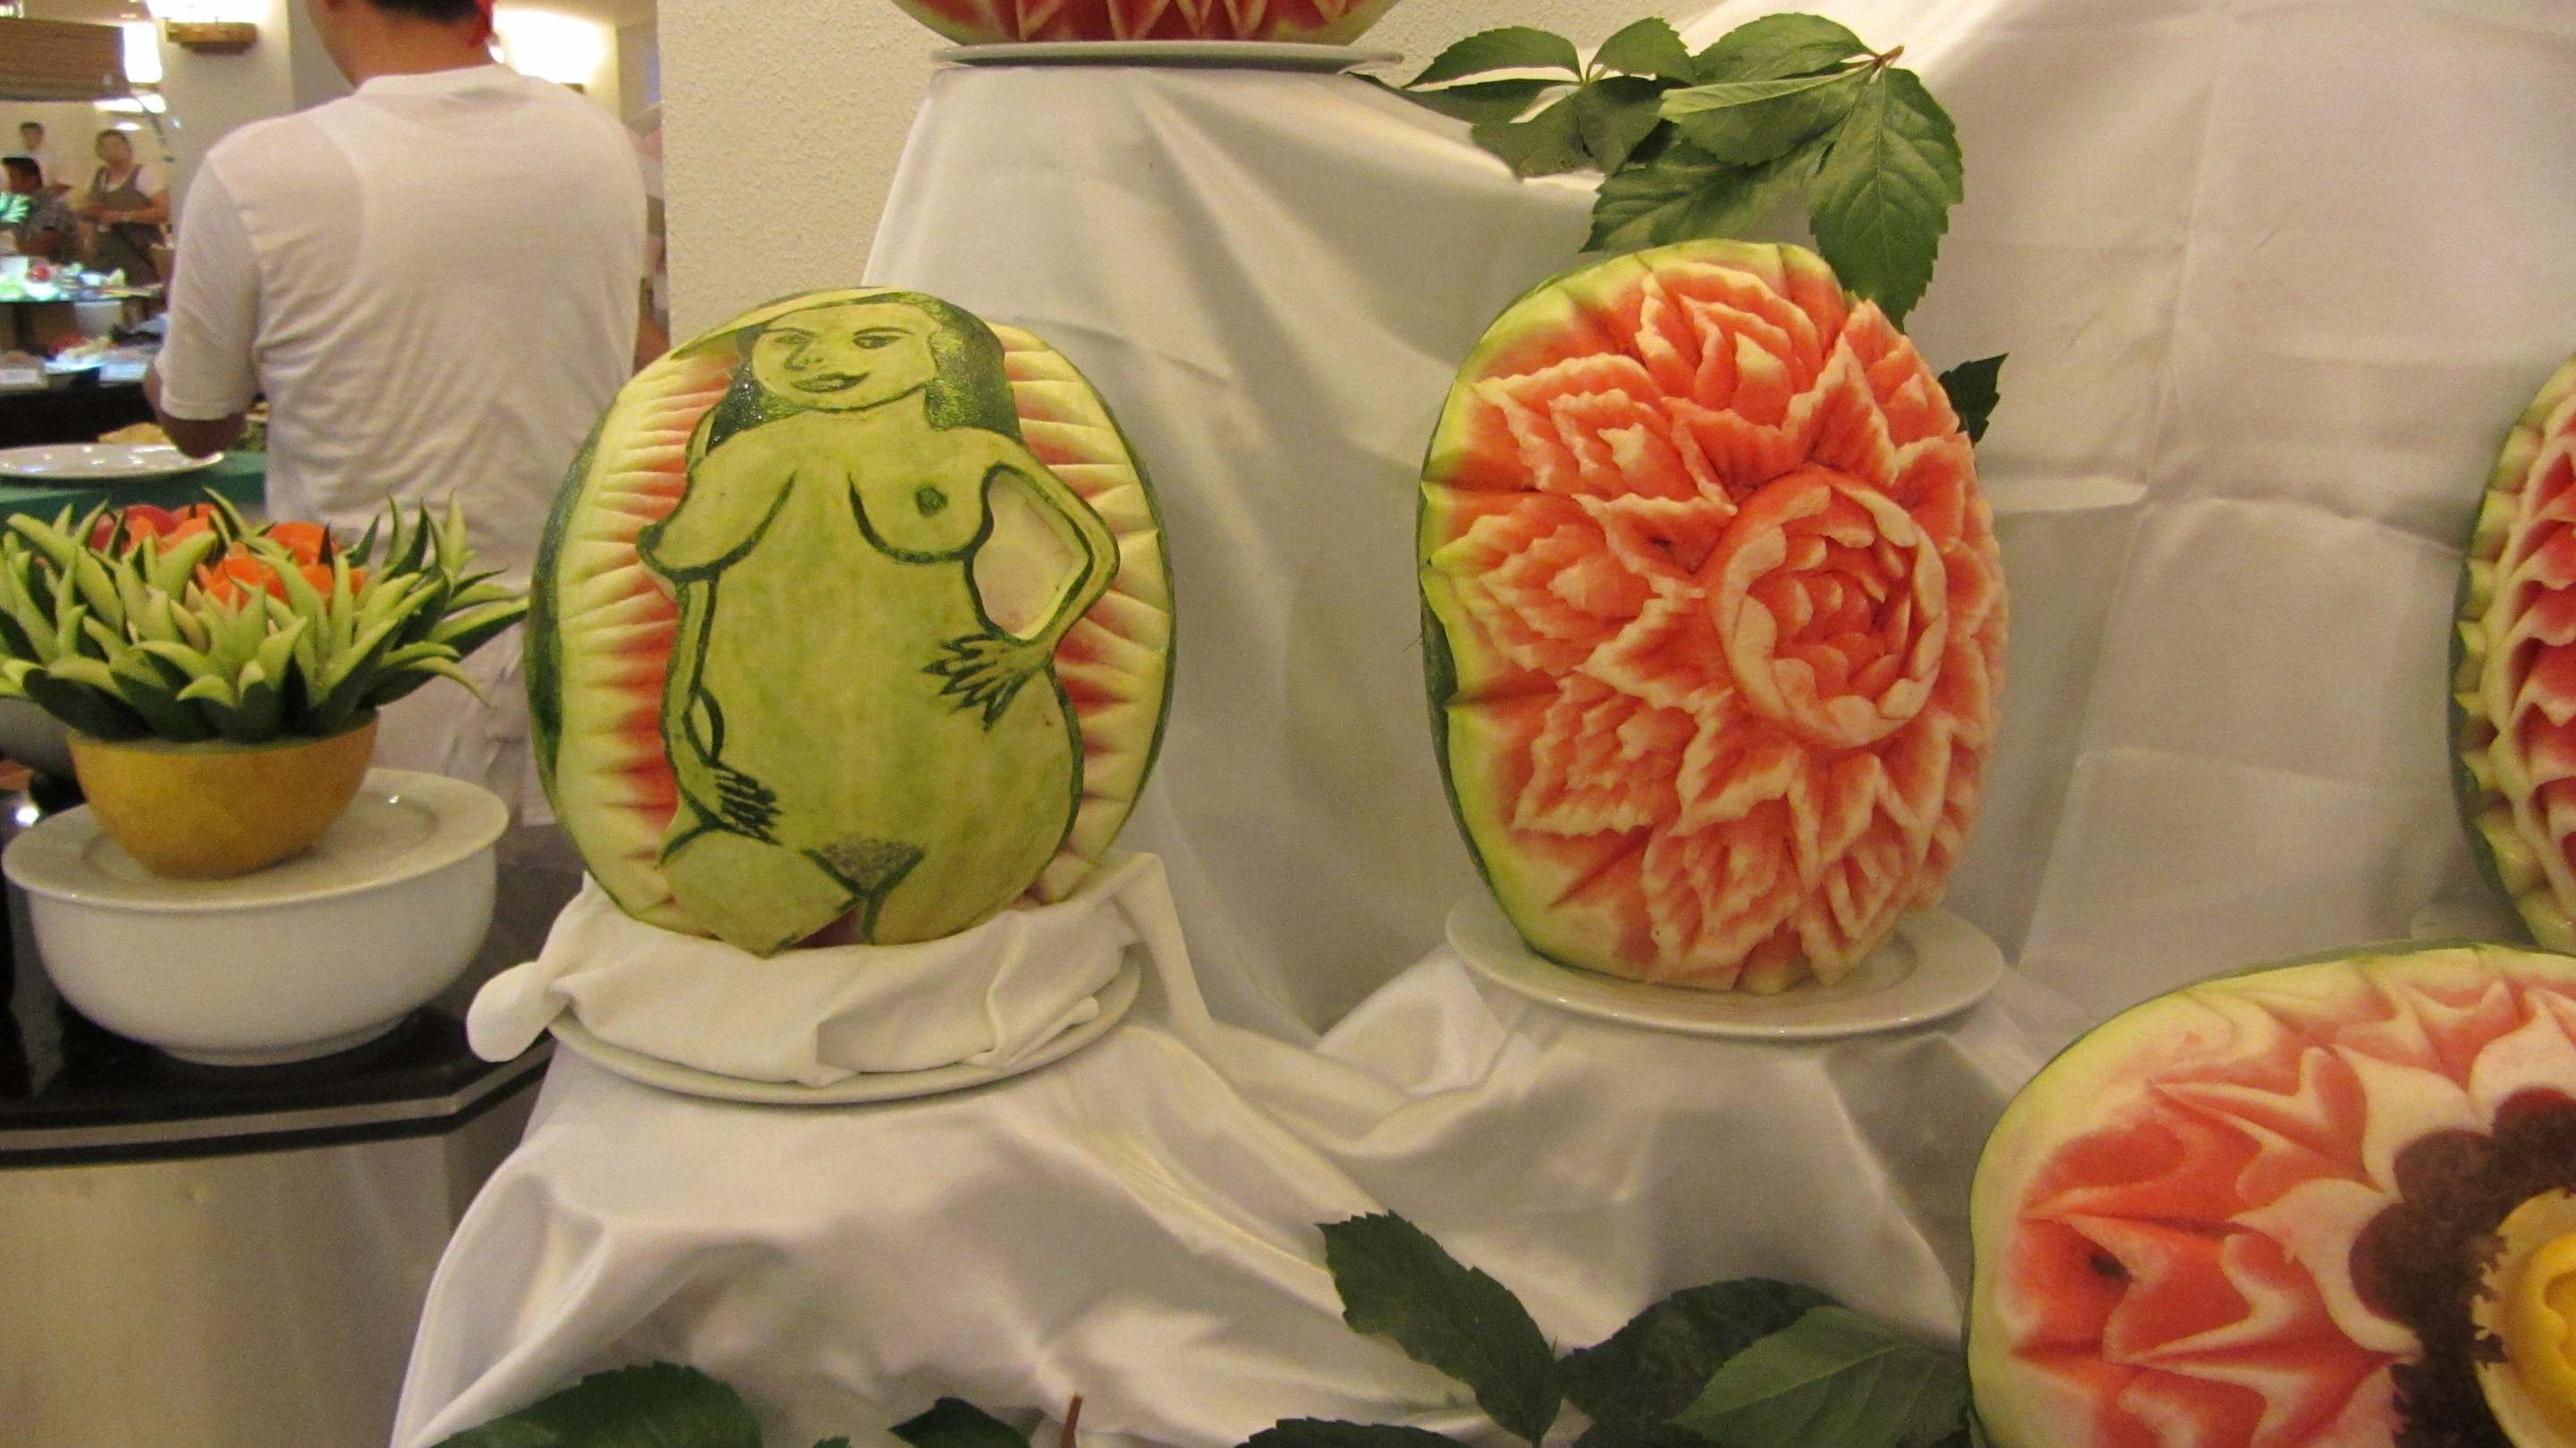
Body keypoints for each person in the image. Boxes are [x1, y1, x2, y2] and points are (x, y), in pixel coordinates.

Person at [147, 0, 648, 977]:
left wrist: (175, 370)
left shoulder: (263, 172)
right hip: (584, 635)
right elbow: (615, 341)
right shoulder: (595, 144)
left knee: (392, 968)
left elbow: (198, 421)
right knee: (574, 969)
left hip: (378, 658)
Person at [640, 294, 1116, 954]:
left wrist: (1032, 648)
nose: (820, 360)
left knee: (934, 928)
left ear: (938, 360)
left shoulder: (976, 453)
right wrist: (689, 758)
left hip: (977, 764)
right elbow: (697, 614)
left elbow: (1093, 552)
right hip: (779, 784)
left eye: (875, 341)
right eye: (790, 343)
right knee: (731, 897)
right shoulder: (741, 462)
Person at [73, 129, 167, 282]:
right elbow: (84, 209)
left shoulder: (143, 175)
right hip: (105, 257)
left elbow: (164, 212)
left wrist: (124, 216)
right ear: (99, 152)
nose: (111, 150)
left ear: (128, 148)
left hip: (139, 257)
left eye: (116, 145)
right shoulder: (97, 177)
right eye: (105, 146)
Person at [1, 156, 77, 261]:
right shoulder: (19, 206)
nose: (9, 184)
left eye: (12, 177)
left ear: (31, 180)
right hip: (22, 265)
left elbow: (39, 250)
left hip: (54, 268)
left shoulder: (54, 207)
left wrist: (10, 248)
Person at [14, 123, 67, 198]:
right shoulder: (15, 156)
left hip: (45, 196)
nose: (29, 137)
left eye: (32, 134)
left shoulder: (51, 157)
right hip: (21, 197)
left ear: (40, 136)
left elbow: (61, 182)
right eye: (25, 134)